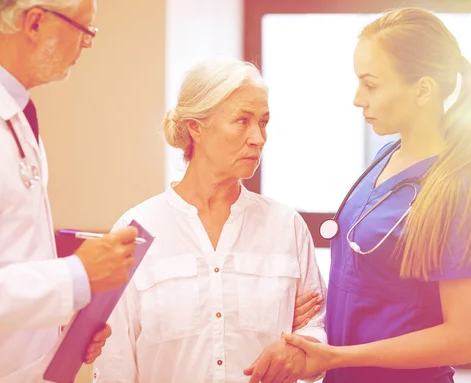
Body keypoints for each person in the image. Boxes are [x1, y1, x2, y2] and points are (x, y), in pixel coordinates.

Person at [265, 7, 471, 383]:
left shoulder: (458, 189)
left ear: (423, 89)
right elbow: (370, 284)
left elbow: (465, 340)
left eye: (370, 84)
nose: (358, 99)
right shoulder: (386, 156)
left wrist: (338, 357)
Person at [0, 1, 137, 382]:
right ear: (35, 22)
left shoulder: (7, 108)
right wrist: (76, 277)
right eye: (85, 30)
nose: (87, 45)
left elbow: (5, 258)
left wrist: (60, 323)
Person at [94, 58, 327, 383]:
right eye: (242, 121)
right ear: (196, 127)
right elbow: (113, 362)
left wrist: (301, 350)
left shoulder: (286, 226)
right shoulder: (136, 229)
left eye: (263, 122)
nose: (258, 138)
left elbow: (316, 331)